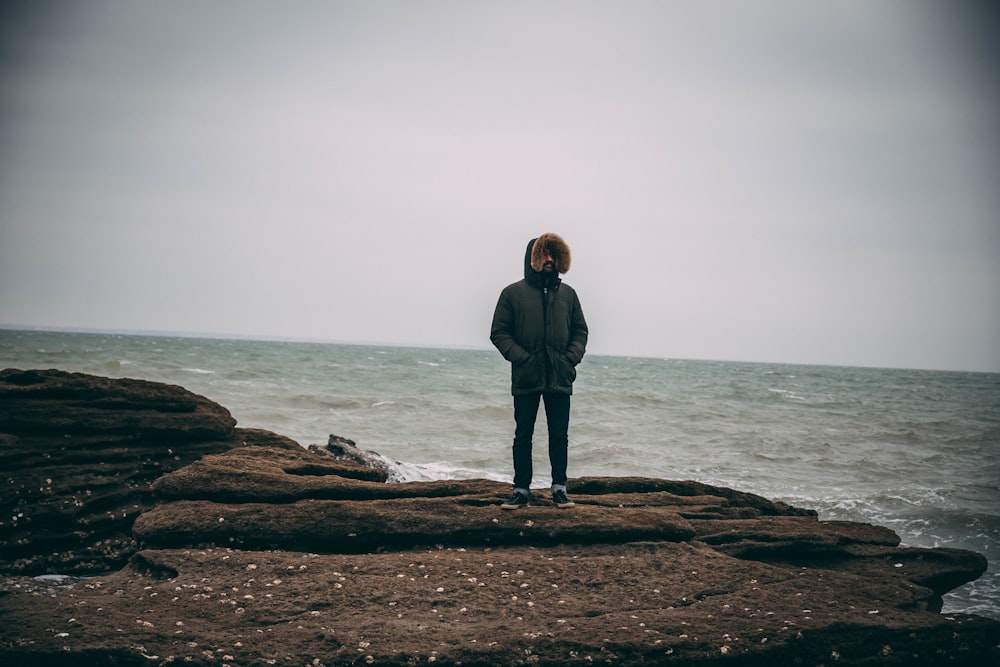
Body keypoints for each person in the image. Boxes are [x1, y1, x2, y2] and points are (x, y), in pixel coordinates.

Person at [490, 233, 589, 509]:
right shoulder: (512, 293)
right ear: (532, 257)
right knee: (523, 435)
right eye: (543, 254)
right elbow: (499, 332)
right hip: (526, 376)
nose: (548, 259)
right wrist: (522, 359)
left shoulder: (568, 295)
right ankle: (521, 489)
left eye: (551, 254)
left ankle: (559, 488)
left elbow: (580, 330)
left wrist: (570, 358)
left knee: (560, 436)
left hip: (560, 375)